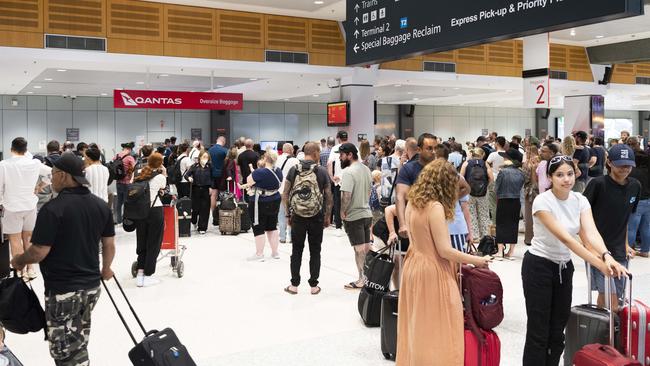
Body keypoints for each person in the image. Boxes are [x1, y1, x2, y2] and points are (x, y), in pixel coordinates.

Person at [521, 155, 629, 366]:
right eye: (560, 175)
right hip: (538, 266)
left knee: (558, 328)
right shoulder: (542, 201)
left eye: (569, 174)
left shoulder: (580, 200)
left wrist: (607, 256)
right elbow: (567, 239)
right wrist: (599, 264)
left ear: (576, 174)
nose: (566, 179)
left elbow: (590, 233)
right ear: (550, 177)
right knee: (539, 329)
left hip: (563, 268)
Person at [10, 151, 115, 366]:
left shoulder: (53, 209)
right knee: (78, 339)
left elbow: (39, 251)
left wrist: (20, 260)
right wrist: (107, 269)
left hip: (64, 291)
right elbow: (109, 244)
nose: (51, 178)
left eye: (54, 173)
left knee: (63, 351)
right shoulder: (100, 205)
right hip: (92, 288)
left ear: (65, 176)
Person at [396, 159, 490, 366]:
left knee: (418, 326)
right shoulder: (435, 207)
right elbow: (445, 250)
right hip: (433, 271)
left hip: (413, 266)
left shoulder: (413, 202)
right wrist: (478, 260)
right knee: (442, 327)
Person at [583, 144, 641, 311]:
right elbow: (582, 217)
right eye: (620, 164)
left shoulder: (635, 186)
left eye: (628, 165)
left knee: (611, 296)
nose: (625, 168)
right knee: (612, 300)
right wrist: (588, 247)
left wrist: (626, 244)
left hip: (619, 252)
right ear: (609, 162)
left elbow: (624, 219)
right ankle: (610, 334)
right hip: (598, 251)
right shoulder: (598, 184)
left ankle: (602, 333)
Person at [282, 142, 333, 295]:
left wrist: (287, 214)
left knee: (296, 250)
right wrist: (327, 216)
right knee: (315, 250)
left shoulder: (293, 170)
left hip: (297, 216)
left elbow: (285, 194)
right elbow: (329, 196)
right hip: (316, 216)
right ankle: (313, 286)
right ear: (316, 153)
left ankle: (294, 285)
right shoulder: (322, 171)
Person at [0, 138, 42, 279]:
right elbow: (50, 174)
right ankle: (31, 269)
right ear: (26, 149)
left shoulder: (4, 164)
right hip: (30, 206)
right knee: (28, 239)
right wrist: (40, 185)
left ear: (11, 149)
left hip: (11, 207)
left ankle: (20, 271)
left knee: (15, 240)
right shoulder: (34, 163)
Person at [338, 143, 373, 290]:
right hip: (367, 214)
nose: (340, 157)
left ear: (350, 155)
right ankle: (367, 278)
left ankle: (361, 280)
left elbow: (346, 195)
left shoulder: (348, 172)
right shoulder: (366, 169)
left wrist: (342, 211)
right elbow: (370, 191)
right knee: (365, 249)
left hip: (354, 216)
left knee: (359, 250)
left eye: (342, 155)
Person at [133, 153, 167, 287]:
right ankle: (148, 274)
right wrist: (164, 171)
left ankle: (140, 274)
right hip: (154, 211)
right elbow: (163, 188)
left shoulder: (140, 174)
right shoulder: (159, 177)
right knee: (154, 243)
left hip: (140, 212)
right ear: (159, 164)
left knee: (141, 242)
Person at [396, 133, 437, 240]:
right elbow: (400, 197)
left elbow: (464, 187)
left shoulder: (442, 168)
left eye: (435, 148)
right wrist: (402, 224)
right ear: (419, 150)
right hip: (417, 222)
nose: (433, 152)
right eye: (429, 148)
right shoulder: (408, 169)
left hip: (439, 220)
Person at [245, 151, 283, 261]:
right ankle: (275, 252)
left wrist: (254, 172)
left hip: (260, 202)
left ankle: (259, 253)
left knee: (258, 226)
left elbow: (249, 181)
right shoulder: (278, 171)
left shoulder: (260, 172)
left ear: (265, 159)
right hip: (275, 199)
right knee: (272, 226)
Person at [495, 148, 525, 259]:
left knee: (501, 224)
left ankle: (500, 251)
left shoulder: (502, 172)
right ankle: (511, 252)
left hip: (503, 200)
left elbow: (496, 189)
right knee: (513, 224)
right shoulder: (521, 173)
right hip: (516, 200)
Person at [460, 148, 494, 242]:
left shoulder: (466, 163)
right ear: (482, 154)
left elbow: (461, 177)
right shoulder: (485, 164)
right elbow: (491, 177)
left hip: (469, 193)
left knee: (471, 214)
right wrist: (486, 186)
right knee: (484, 214)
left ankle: (474, 236)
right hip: (483, 193)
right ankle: (485, 236)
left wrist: (466, 187)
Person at [627, 137, 650, 257]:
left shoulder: (632, 172)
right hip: (648, 200)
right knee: (646, 227)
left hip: (637, 202)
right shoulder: (647, 171)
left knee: (632, 228)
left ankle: (629, 251)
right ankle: (646, 250)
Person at [276, 143, 300, 244]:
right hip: (291, 190)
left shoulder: (277, 159)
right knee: (292, 213)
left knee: (281, 213)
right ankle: (291, 236)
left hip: (279, 190)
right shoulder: (295, 160)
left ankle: (282, 237)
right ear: (291, 150)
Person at [185, 151, 212, 234]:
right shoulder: (194, 166)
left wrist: (211, 186)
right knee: (196, 208)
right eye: (204, 157)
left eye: (206, 157)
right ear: (200, 157)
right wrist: (189, 178)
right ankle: (194, 219)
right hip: (196, 189)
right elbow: (186, 175)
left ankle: (202, 227)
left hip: (206, 189)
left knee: (205, 208)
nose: (205, 159)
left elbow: (213, 177)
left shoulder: (209, 167)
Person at [328, 131, 349, 234]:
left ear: (338, 138)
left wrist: (331, 177)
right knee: (350, 202)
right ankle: (349, 225)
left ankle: (338, 227)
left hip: (338, 180)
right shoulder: (353, 147)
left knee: (337, 203)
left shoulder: (335, 148)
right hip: (350, 179)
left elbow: (329, 163)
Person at [114, 142, 136, 225]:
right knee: (127, 202)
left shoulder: (116, 156)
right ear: (129, 149)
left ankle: (118, 220)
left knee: (119, 202)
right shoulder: (130, 157)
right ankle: (126, 220)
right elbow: (135, 168)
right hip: (127, 182)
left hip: (118, 182)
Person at [523, 144, 540, 246]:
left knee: (530, 215)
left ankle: (529, 238)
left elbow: (527, 179)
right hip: (537, 190)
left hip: (530, 191)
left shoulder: (529, 163)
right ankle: (535, 238)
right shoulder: (540, 162)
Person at [487, 136, 507, 225]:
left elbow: (487, 163)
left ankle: (495, 224)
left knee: (493, 203)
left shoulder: (493, 154)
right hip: (506, 179)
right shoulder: (507, 154)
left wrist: (490, 169)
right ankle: (503, 222)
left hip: (494, 178)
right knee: (504, 203)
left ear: (497, 143)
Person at [208, 136, 228, 225]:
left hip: (212, 175)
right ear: (223, 142)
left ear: (217, 140)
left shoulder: (209, 150)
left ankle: (214, 217)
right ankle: (224, 217)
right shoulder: (224, 151)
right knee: (224, 195)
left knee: (213, 195)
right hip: (222, 176)